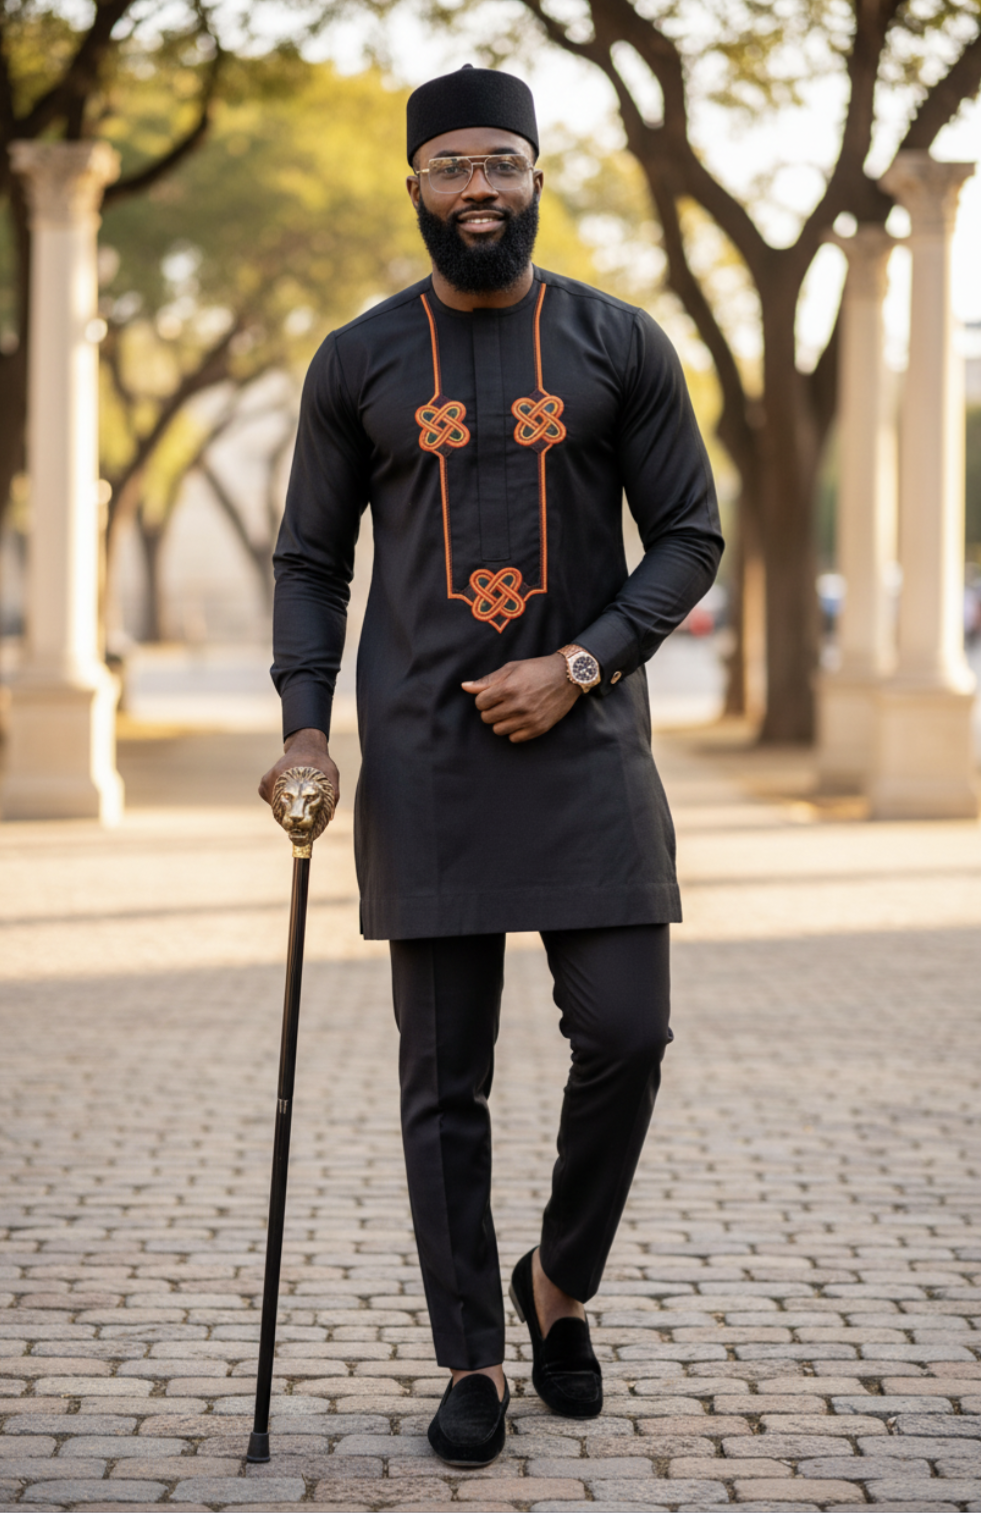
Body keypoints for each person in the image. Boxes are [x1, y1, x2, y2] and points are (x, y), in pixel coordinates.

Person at [260, 64, 723, 1468]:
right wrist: (301, 725)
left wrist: (580, 664)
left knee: (627, 1034)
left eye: (502, 165)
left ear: (536, 176)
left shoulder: (615, 343)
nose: (479, 190)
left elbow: (691, 536)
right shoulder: (358, 360)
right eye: (452, 165)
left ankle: (556, 1289)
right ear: (414, 184)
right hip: (425, 757)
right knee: (442, 1078)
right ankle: (472, 1354)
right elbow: (309, 560)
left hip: (586, 746)